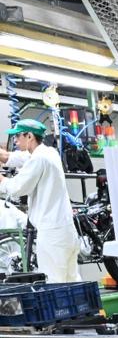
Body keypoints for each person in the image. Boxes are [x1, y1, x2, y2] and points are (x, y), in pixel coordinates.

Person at [0, 119, 79, 282]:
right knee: (72, 282)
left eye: (17, 136)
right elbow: (13, 157)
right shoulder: (49, 153)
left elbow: (16, 188)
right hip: (65, 231)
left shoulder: (39, 159)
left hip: (52, 234)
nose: (15, 141)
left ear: (29, 136)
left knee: (54, 282)